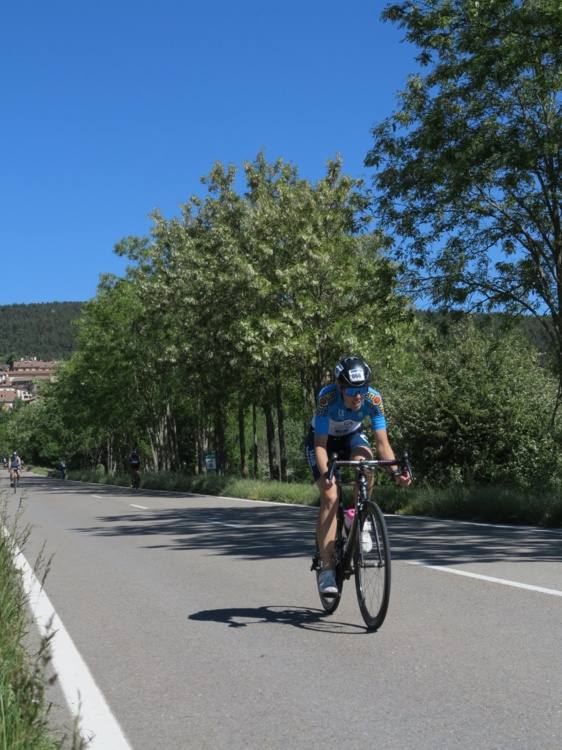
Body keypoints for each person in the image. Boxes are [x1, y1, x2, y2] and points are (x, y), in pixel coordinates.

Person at [306, 356, 411, 596]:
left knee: (367, 464)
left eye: (362, 389)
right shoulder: (326, 398)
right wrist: (327, 475)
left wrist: (396, 472)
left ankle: (358, 517)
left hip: (352, 436)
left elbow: (383, 445)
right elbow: (320, 446)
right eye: (352, 390)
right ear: (340, 387)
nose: (358, 396)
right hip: (323, 442)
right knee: (331, 496)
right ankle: (326, 570)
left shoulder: (373, 399)